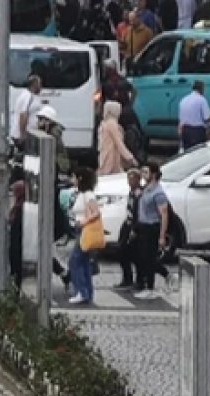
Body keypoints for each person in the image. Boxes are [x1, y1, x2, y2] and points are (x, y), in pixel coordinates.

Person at [134, 162, 172, 299]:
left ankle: (150, 287)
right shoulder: (146, 189)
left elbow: (164, 214)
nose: (143, 175)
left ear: (154, 174)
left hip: (152, 227)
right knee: (143, 257)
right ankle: (164, 276)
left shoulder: (158, 193)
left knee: (149, 258)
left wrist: (162, 235)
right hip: (143, 226)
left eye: (146, 172)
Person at [66, 168, 100, 305]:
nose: (72, 180)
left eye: (74, 177)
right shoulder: (82, 194)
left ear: (80, 179)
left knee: (75, 261)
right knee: (83, 262)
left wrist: (83, 222)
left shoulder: (88, 195)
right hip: (80, 230)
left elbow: (96, 213)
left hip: (85, 230)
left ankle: (81, 291)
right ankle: (87, 292)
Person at [98, 101, 136, 176]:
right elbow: (119, 143)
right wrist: (130, 158)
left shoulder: (105, 122)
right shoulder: (112, 123)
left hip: (107, 154)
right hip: (111, 156)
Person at [178, 81, 210, 152]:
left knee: (187, 154)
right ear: (202, 89)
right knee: (198, 154)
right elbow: (207, 117)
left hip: (185, 131)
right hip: (197, 132)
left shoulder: (183, 100)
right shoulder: (201, 100)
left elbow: (180, 120)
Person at [11, 75, 43, 150]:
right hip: (25, 135)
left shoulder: (29, 95)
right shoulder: (28, 96)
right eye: (40, 84)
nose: (41, 87)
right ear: (34, 84)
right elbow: (23, 115)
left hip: (28, 134)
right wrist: (22, 135)